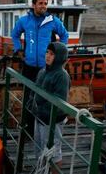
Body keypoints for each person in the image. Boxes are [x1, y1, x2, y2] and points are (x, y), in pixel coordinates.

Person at [11, 0, 69, 136]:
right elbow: (15, 34)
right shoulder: (25, 21)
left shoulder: (52, 21)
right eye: (40, 3)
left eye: (45, 3)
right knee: (28, 98)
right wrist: (18, 49)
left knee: (43, 100)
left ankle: (42, 130)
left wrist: (58, 52)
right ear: (34, 4)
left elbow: (64, 35)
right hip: (29, 66)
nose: (43, 6)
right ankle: (28, 130)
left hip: (45, 68)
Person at [32, 42, 70, 173]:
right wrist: (32, 104)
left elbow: (60, 100)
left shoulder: (62, 76)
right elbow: (35, 90)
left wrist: (42, 105)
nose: (48, 56)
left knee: (53, 153)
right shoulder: (42, 71)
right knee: (39, 147)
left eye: (52, 54)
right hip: (39, 117)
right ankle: (42, 170)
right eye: (47, 52)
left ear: (59, 57)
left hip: (52, 120)